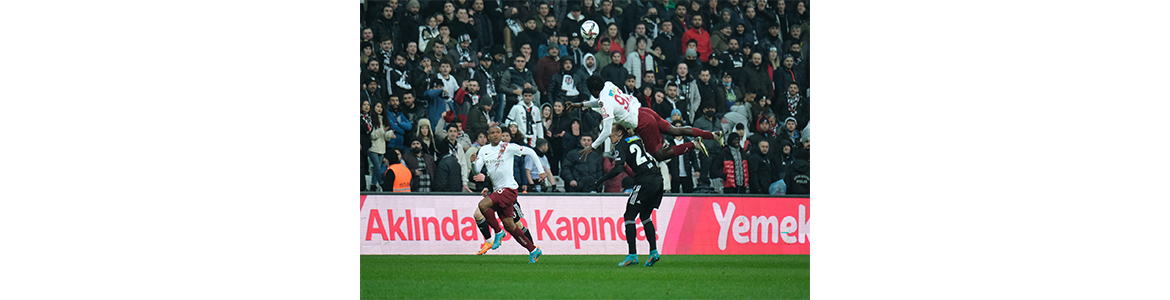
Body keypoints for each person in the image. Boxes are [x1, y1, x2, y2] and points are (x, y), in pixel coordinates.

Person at [571, 75, 718, 163]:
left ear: (592, 91)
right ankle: (712, 135)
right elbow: (604, 101)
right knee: (674, 129)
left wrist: (592, 146)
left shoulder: (604, 102)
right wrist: (581, 105)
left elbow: (606, 130)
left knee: (659, 155)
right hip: (645, 111)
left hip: (642, 123)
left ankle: (694, 145)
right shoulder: (608, 85)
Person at [469, 126, 547, 263]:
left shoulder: (508, 147)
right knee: (511, 226)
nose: (495, 135)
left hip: (509, 190)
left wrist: (540, 171)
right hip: (497, 191)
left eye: (497, 133)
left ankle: (498, 232)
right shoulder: (484, 150)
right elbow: (476, 171)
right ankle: (533, 250)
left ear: (501, 135)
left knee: (483, 205)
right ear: (488, 135)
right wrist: (473, 163)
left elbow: (531, 152)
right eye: (492, 133)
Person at [592, 123, 663, 267]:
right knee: (645, 216)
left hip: (645, 181)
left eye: (611, 132)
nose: (609, 135)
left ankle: (632, 255)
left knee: (629, 216)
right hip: (657, 179)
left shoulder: (619, 146)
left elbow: (618, 168)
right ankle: (653, 252)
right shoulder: (635, 139)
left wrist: (601, 180)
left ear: (619, 133)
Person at [666, 121, 701, 193]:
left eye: (680, 127)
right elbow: (666, 159)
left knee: (688, 194)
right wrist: (668, 172)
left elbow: (693, 158)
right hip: (674, 174)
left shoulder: (688, 142)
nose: (678, 129)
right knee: (674, 194)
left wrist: (697, 169)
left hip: (686, 173)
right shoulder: (669, 143)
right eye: (676, 127)